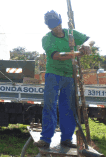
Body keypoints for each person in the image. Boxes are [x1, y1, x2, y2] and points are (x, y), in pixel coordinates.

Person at [35, 11, 92, 149]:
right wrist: (78, 53)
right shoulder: (47, 38)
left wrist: (87, 45)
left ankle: (67, 139)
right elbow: (57, 56)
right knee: (50, 105)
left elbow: (89, 39)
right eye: (53, 26)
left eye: (58, 24)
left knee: (68, 107)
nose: (57, 28)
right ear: (49, 27)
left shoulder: (71, 34)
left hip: (70, 76)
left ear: (61, 21)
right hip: (53, 75)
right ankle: (46, 139)